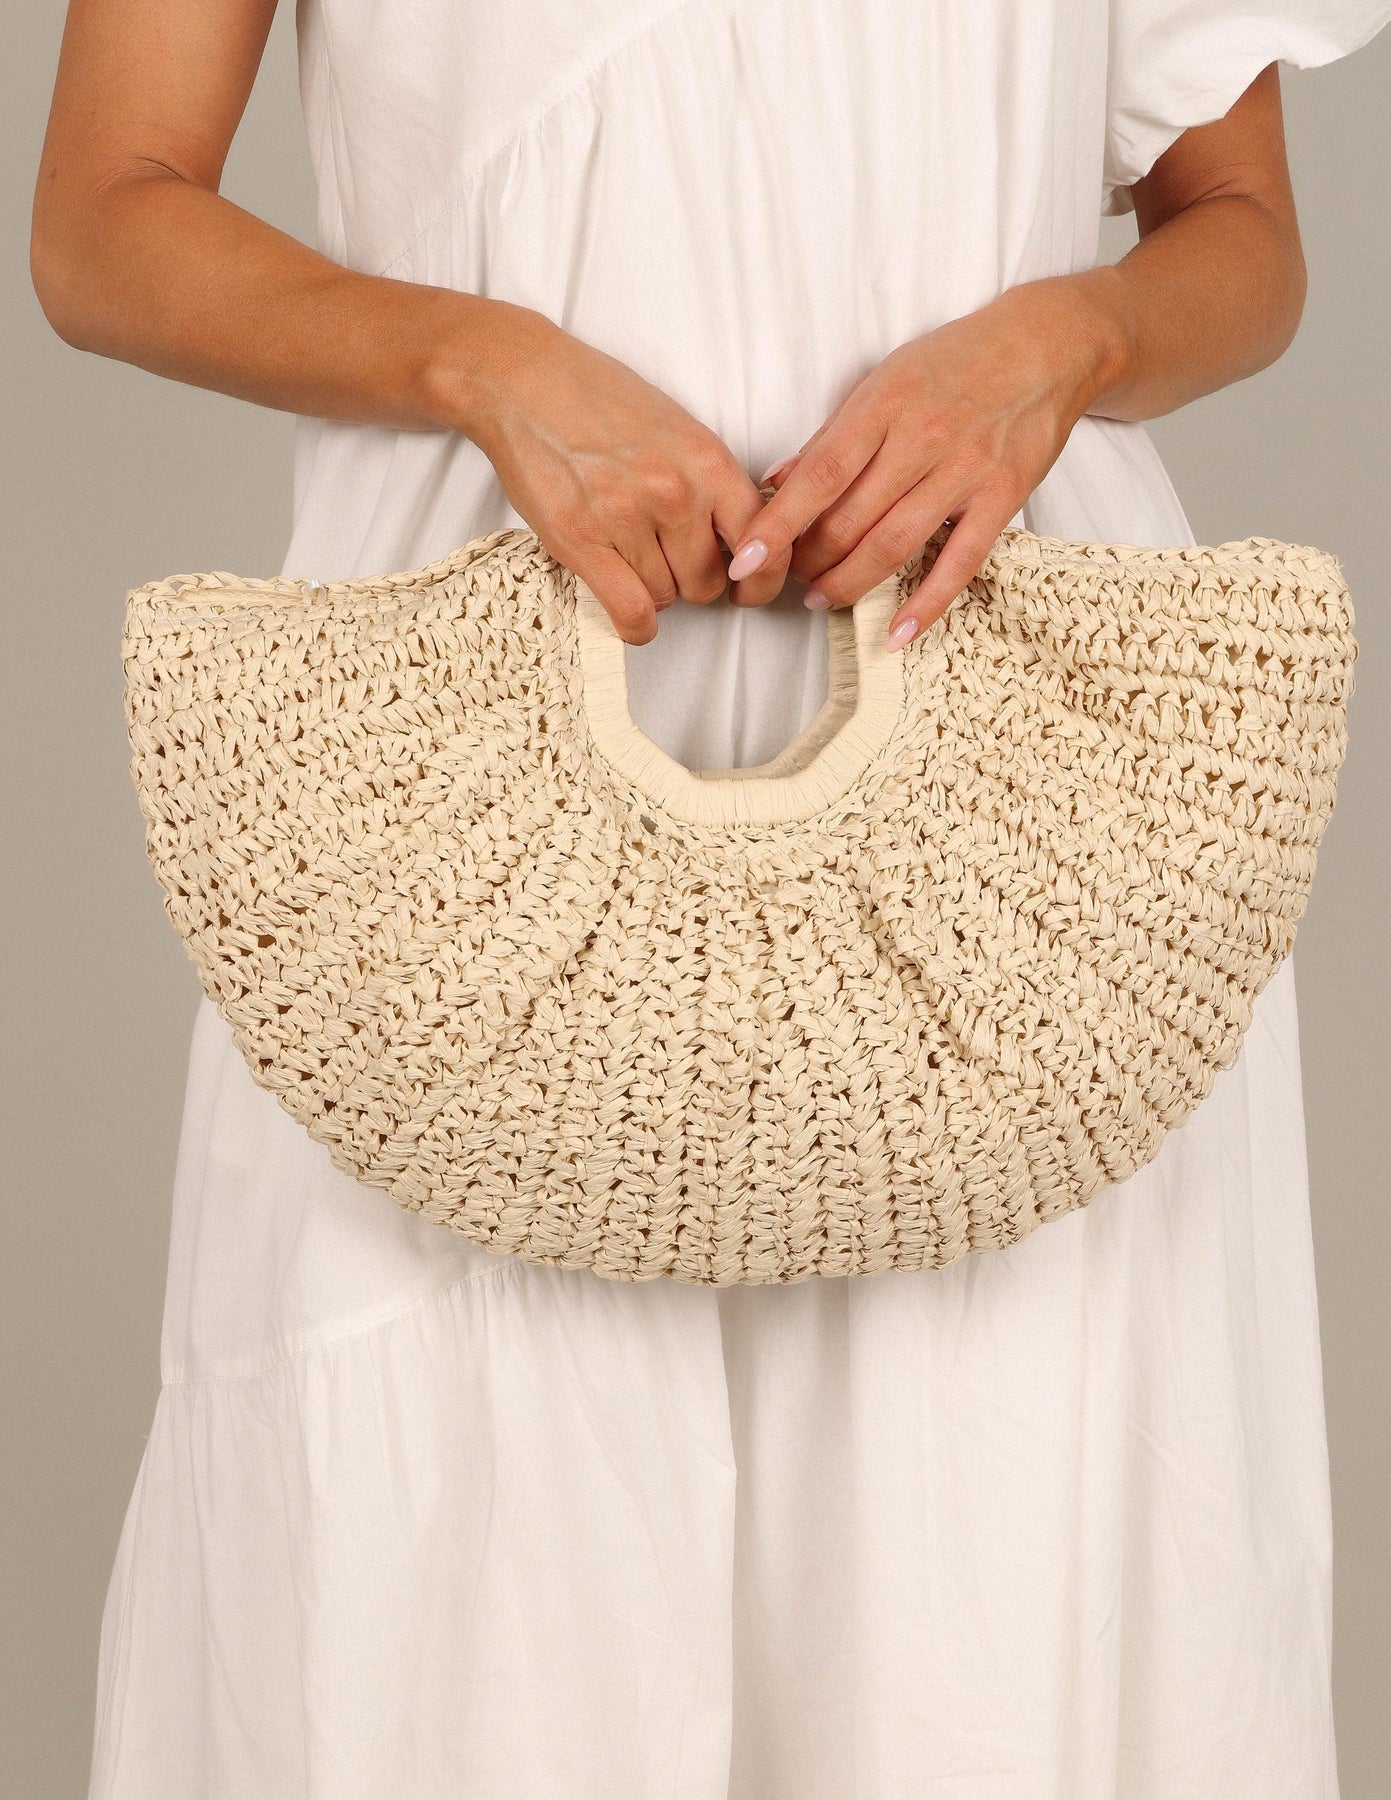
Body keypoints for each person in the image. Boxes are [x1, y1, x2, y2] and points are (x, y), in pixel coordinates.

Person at [31, 1, 1390, 1795]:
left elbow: (1244, 234)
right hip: (457, 810)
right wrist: (478, 361)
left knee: (995, 1595)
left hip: (1021, 842)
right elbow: (102, 219)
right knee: (463, 1637)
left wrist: (1066, 344)